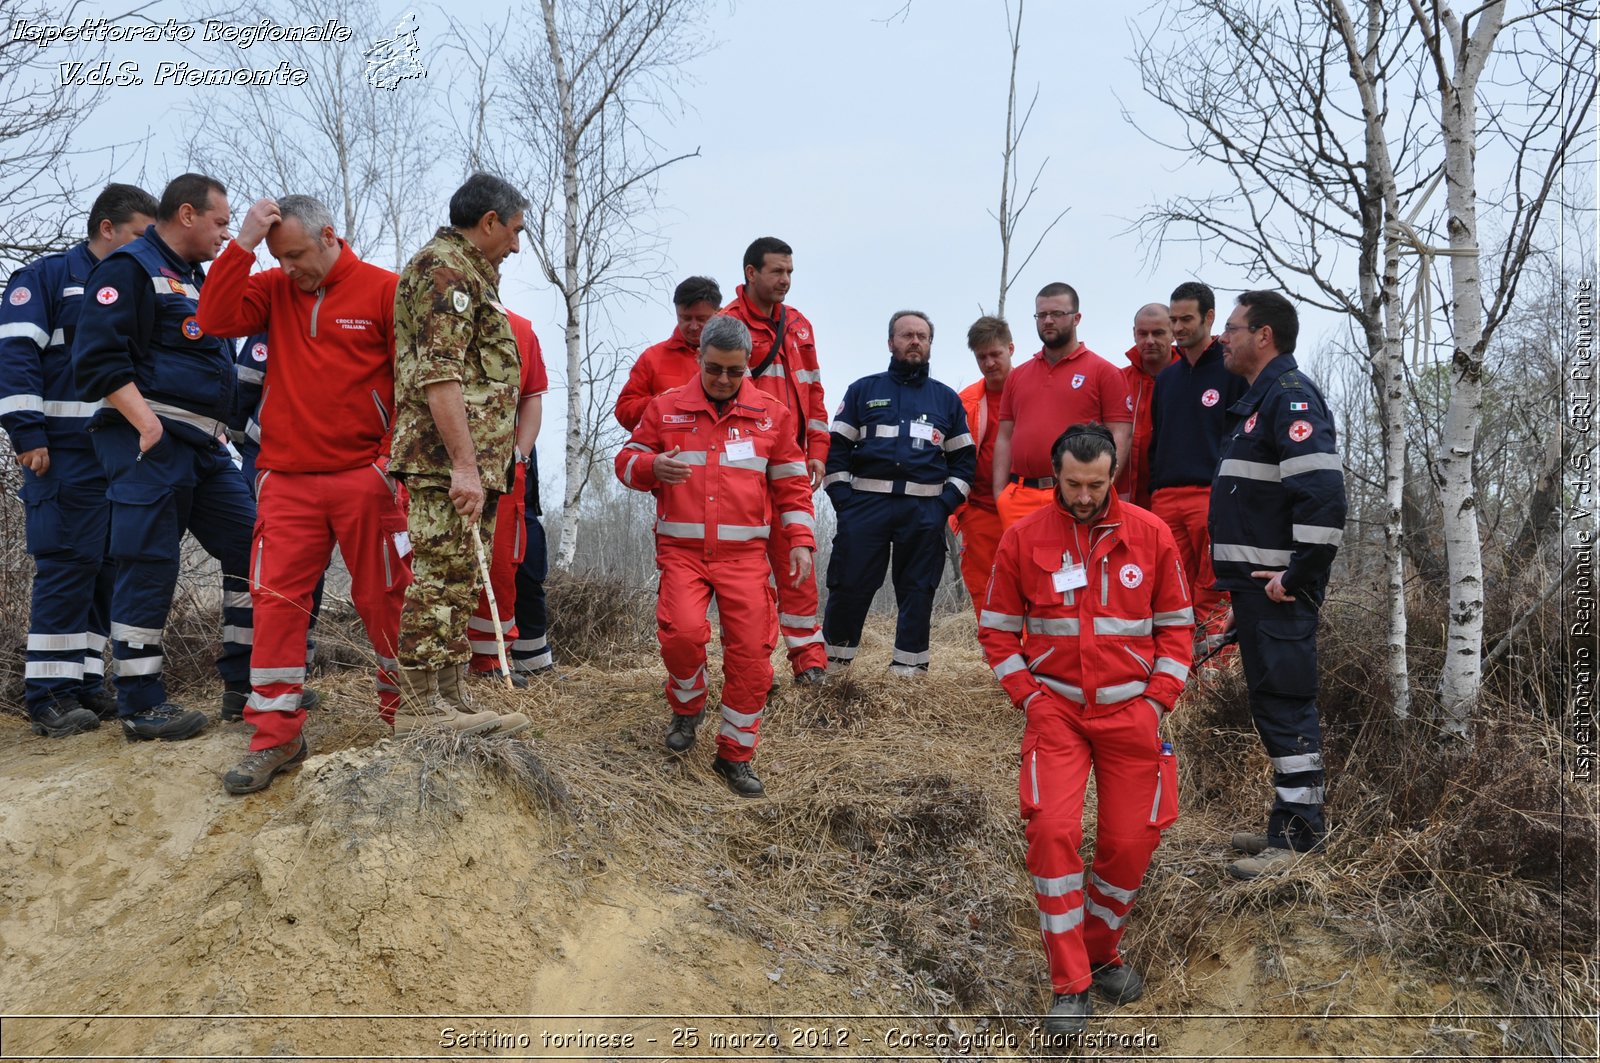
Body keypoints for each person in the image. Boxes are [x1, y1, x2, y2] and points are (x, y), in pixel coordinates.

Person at [978, 423, 1193, 1034]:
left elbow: (1178, 629)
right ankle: (1069, 983)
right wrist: (1030, 699)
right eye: (1073, 483)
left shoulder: (1150, 534)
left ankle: (1100, 951)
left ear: (1113, 476)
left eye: (1096, 484)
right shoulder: (1024, 537)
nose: (1083, 495)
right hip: (1058, 714)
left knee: (1130, 843)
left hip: (1134, 714)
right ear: (1055, 473)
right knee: (1052, 833)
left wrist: (1158, 700)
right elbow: (996, 630)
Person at [196, 194, 411, 793]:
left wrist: (386, 461)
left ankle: (406, 716)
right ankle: (276, 735)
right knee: (275, 606)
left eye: (295, 255)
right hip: (287, 480)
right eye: (277, 257)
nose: (289, 268)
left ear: (328, 234)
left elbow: (412, 380)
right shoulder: (270, 287)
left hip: (363, 478)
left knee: (385, 597)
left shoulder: (384, 290)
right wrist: (241, 246)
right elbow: (214, 319)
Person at [71, 172, 256, 741]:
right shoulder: (129, 268)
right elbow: (97, 360)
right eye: (221, 222)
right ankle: (141, 704)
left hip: (202, 445)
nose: (226, 233)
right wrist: (145, 420)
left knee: (255, 546)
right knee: (148, 562)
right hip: (147, 438)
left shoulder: (196, 279)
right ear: (186, 215)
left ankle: (245, 684)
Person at [615, 315, 816, 798]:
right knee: (682, 635)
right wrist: (650, 466)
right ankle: (687, 706)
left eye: (734, 371)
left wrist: (803, 541)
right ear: (699, 359)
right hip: (682, 554)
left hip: (745, 559)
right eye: (713, 369)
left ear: (748, 365)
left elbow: (792, 486)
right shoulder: (666, 409)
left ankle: (735, 754)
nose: (723, 380)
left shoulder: (772, 415)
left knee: (752, 659)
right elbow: (625, 461)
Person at [1, 183, 157, 737]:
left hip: (113, 455)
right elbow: (16, 355)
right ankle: (48, 694)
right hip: (59, 453)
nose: (149, 246)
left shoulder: (135, 283)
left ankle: (86, 683)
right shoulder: (44, 279)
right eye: (141, 234)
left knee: (104, 568)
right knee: (67, 565)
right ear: (107, 229)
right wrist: (27, 433)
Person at [388, 173, 532, 736]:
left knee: (463, 577)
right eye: (515, 231)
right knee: (440, 578)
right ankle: (420, 711)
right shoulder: (443, 270)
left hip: (471, 462)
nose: (518, 245)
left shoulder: (470, 274)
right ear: (490, 221)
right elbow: (440, 373)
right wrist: (465, 466)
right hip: (443, 460)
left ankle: (450, 699)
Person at [1209, 290, 1345, 879]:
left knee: (1288, 705)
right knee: (1272, 704)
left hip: (1282, 593)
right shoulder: (1259, 402)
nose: (1223, 337)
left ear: (1263, 335)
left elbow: (1322, 494)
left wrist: (1298, 575)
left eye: (1233, 328)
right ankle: (1283, 826)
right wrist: (1245, 594)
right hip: (1258, 593)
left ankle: (1298, 844)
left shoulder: (1290, 398)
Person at [822, 310, 975, 676]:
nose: (915, 342)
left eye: (922, 336)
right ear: (891, 342)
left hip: (924, 512)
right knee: (850, 584)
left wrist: (944, 506)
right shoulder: (863, 390)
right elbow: (836, 451)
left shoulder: (946, 400)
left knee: (917, 591)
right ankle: (833, 670)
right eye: (907, 335)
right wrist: (845, 503)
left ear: (930, 345)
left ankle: (907, 676)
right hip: (865, 509)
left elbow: (965, 462)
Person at [721, 238, 828, 684]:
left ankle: (809, 661)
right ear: (751, 273)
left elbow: (815, 393)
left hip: (793, 467)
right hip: (744, 470)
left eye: (790, 272)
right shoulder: (726, 326)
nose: (785, 280)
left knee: (798, 563)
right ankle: (755, 667)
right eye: (776, 272)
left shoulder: (799, 325)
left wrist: (819, 452)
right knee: (751, 575)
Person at [227, 329, 325, 713]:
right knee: (270, 569)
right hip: (270, 461)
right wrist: (258, 444)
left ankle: (295, 672)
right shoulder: (274, 324)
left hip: (326, 465)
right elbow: (241, 392)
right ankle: (248, 684)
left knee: (309, 570)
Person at [1151, 281, 1247, 655]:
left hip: (1211, 495)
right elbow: (1157, 442)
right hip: (1166, 500)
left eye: (1186, 319)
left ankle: (1214, 684)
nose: (1178, 328)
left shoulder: (1231, 370)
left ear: (1209, 317)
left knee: (1212, 592)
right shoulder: (1167, 379)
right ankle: (1179, 684)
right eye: (1173, 319)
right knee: (1171, 595)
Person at [992, 283, 1131, 530]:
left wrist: (1099, 489)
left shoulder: (1105, 372)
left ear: (1076, 318)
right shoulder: (1017, 375)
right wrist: (1000, 493)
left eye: (1057, 314)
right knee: (1022, 568)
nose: (1047, 321)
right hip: (1019, 498)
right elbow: (1004, 437)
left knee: (1071, 567)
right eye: (1041, 314)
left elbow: (1120, 435)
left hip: (1076, 499)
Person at [466, 309, 548, 684]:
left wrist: (521, 454)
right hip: (433, 465)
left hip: (502, 472)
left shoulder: (520, 329)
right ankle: (436, 662)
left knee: (501, 566)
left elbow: (532, 395)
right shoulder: (426, 320)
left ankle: (491, 661)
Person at [949, 315, 1015, 616]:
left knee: (1032, 588)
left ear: (1010, 349)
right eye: (981, 357)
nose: (989, 363)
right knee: (985, 593)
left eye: (995, 354)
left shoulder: (1033, 391)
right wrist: (962, 512)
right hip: (980, 514)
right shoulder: (965, 403)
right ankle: (995, 660)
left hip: (1028, 510)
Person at [613, 276, 721, 431]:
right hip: (669, 452)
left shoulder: (737, 356)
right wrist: (663, 402)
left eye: (701, 319)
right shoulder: (652, 358)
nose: (693, 326)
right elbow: (624, 411)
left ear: (718, 312)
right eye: (685, 318)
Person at [1114, 304, 1176, 509]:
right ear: (1134, 334)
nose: (1149, 341)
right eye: (1143, 333)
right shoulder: (1116, 381)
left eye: (1158, 333)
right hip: (1124, 499)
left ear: (1173, 333)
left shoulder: (1191, 379)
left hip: (1174, 500)